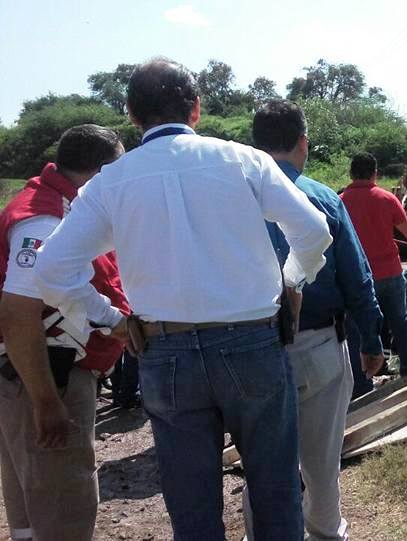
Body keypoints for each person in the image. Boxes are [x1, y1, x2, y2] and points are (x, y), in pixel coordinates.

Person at [33, 58, 333, 541]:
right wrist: (292, 282)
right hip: (252, 343)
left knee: (191, 507)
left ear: (131, 114)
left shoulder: (109, 182)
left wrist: (110, 319)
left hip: (164, 349)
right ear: (196, 108)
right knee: (276, 491)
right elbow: (314, 232)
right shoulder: (243, 160)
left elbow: (51, 269)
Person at [246, 100, 384, 541]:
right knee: (321, 460)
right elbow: (357, 277)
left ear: (254, 146)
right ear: (303, 143)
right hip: (319, 344)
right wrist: (372, 341)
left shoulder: (232, 198)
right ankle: (324, 533)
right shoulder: (323, 197)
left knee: (261, 459)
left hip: (248, 347)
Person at [0, 125, 129, 541]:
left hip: (32, 373)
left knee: (32, 493)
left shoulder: (59, 205)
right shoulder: (44, 219)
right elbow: (18, 312)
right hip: (46, 375)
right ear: (101, 172)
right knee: (63, 501)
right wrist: (46, 400)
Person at [340, 153, 407, 382]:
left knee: (361, 326)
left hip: (358, 277)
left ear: (351, 173)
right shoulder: (387, 198)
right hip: (390, 273)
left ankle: (365, 375)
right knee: (400, 322)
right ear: (375, 173)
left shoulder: (340, 201)